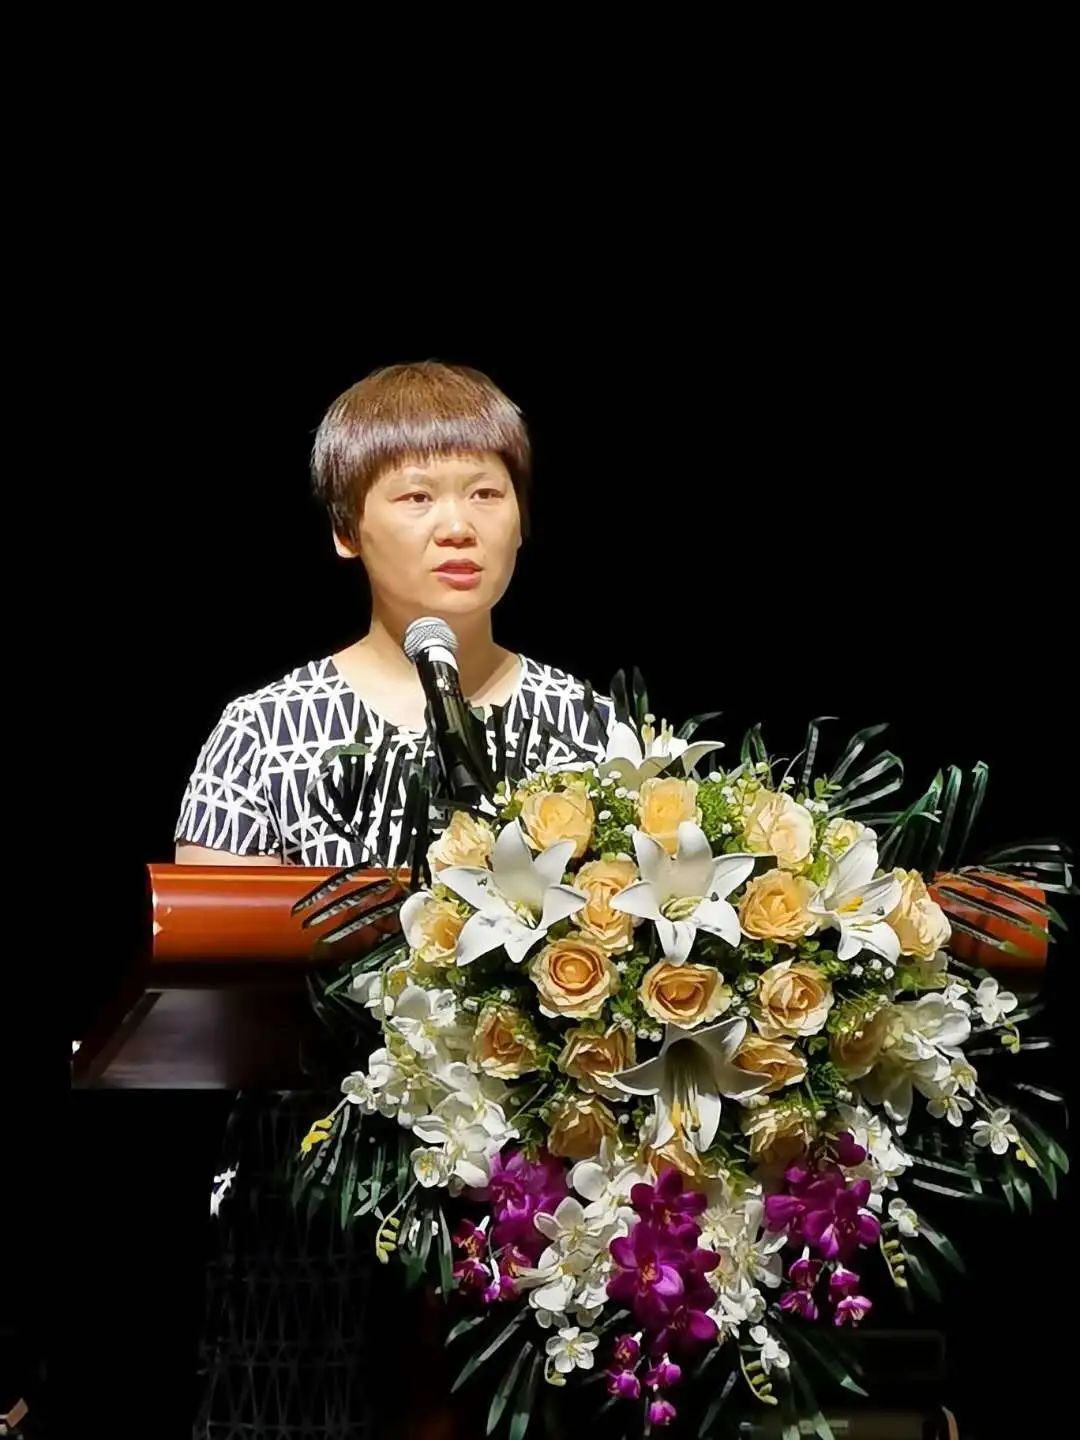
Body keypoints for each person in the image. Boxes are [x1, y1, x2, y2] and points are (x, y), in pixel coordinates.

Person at [174, 362, 615, 1439]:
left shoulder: (597, 733)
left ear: (522, 521)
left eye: (486, 493)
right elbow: (210, 975)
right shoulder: (261, 732)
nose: (456, 525)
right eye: (415, 496)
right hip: (303, 1211)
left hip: (539, 1220)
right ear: (346, 531)